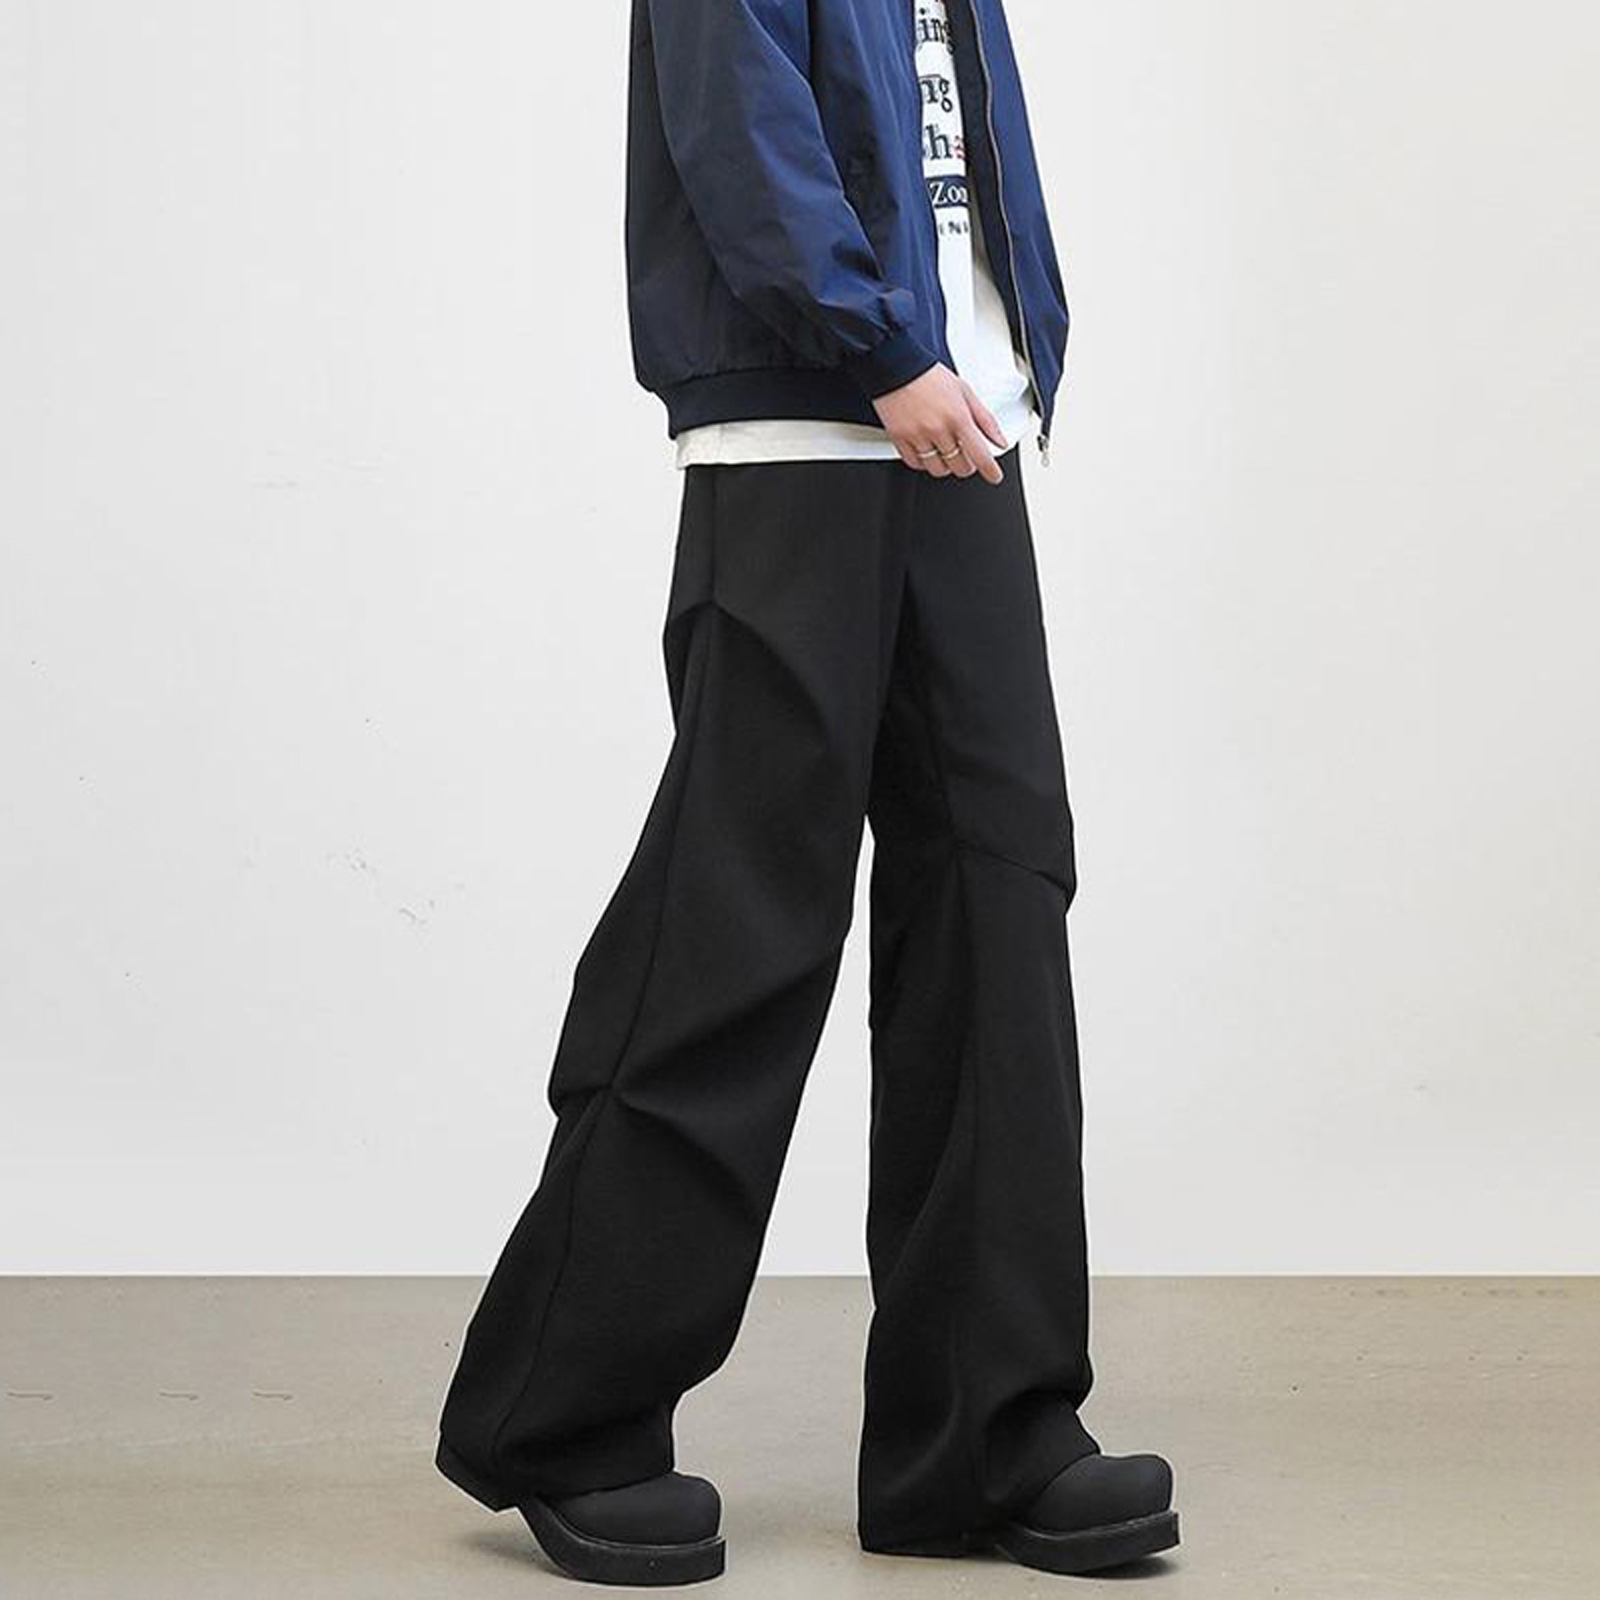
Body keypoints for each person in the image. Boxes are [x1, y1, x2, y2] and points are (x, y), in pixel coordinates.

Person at [435, 0, 1179, 1583]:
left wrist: (993, 353)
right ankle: (569, 1420)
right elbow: (739, 125)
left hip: (965, 434)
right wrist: (877, 340)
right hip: (805, 426)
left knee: (1000, 901)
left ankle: (984, 1438)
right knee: (739, 920)